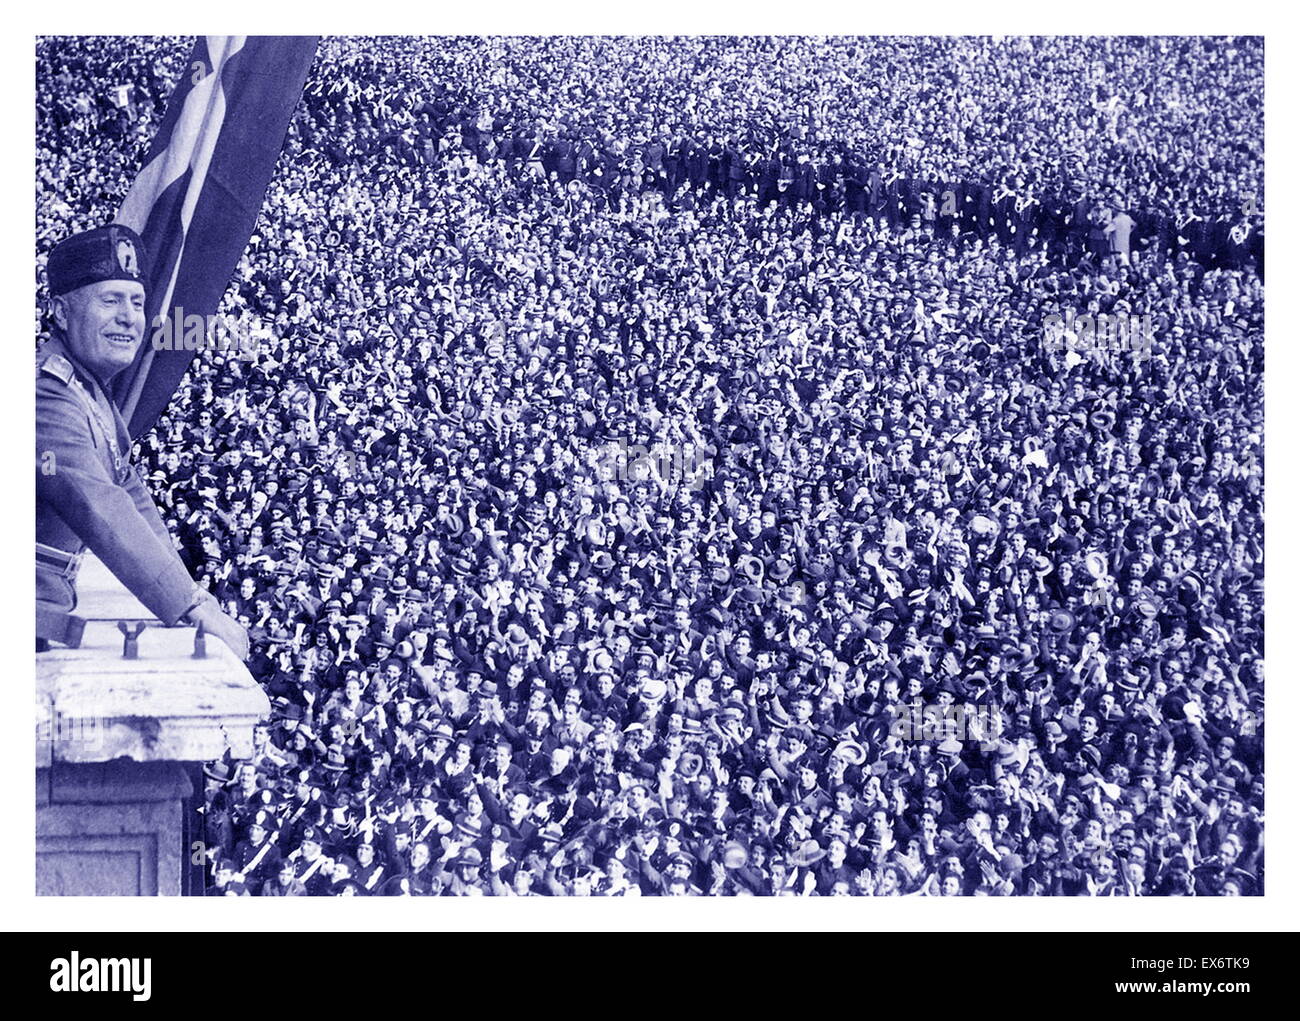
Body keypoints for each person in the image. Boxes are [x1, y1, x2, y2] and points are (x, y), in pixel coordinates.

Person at [36, 224, 248, 659]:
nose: (129, 317)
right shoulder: (45, 394)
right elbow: (98, 504)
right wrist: (188, 607)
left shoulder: (86, 388)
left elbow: (129, 492)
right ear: (60, 311)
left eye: (136, 302)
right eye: (110, 300)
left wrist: (191, 592)